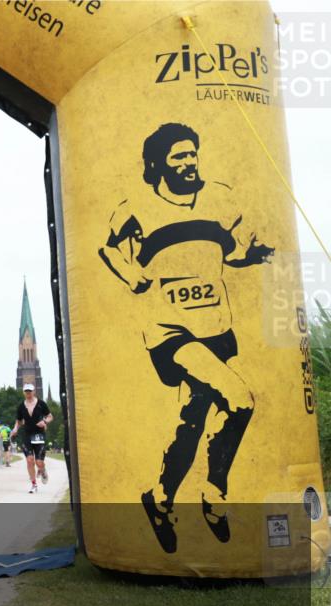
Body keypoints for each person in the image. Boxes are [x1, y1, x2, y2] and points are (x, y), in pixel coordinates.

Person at [99, 123, 270, 553]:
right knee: (241, 398)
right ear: (157, 164)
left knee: (191, 423)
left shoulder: (219, 198)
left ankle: (158, 499)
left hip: (217, 326)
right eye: (178, 156)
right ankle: (214, 495)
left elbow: (230, 253)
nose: (189, 162)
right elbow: (110, 248)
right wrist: (131, 274)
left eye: (192, 153)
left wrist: (252, 256)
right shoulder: (136, 206)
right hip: (170, 331)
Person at [11, 383, 52, 494]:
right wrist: (15, 429)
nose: (28, 393)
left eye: (30, 391)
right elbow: (18, 421)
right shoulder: (21, 406)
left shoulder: (41, 404)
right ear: (24, 392)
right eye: (26, 391)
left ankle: (42, 470)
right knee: (30, 460)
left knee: (39, 462)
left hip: (39, 435)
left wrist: (44, 421)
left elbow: (50, 416)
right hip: (27, 435)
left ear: (34, 392)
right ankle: (34, 484)